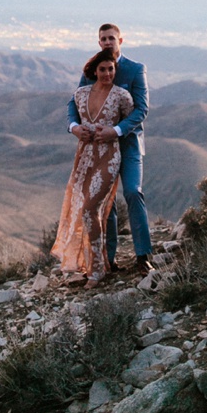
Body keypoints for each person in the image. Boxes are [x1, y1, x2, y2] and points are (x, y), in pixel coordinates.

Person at [67, 23, 152, 275]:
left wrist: (116, 130)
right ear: (99, 42)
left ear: (120, 40)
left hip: (128, 145)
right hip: (99, 150)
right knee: (105, 203)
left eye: (111, 38)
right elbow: (74, 100)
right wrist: (73, 126)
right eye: (103, 39)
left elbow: (141, 110)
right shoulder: (93, 69)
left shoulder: (136, 70)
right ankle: (108, 259)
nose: (107, 42)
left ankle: (143, 256)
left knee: (133, 192)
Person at [52, 48, 136, 283]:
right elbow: (73, 120)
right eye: (103, 69)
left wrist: (114, 133)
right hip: (84, 157)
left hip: (108, 157)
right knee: (82, 208)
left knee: (91, 208)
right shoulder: (81, 94)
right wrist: (76, 129)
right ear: (94, 71)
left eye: (111, 69)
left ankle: (97, 269)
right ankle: (90, 264)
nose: (108, 73)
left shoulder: (122, 96)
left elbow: (131, 124)